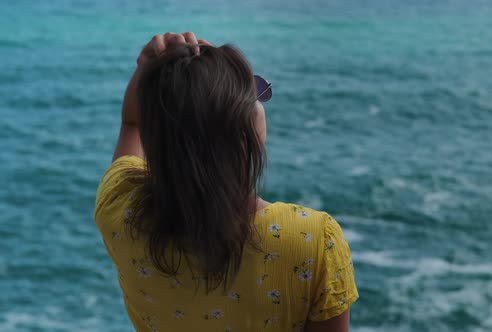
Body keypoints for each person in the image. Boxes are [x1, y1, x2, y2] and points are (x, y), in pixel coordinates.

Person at [94, 32, 358, 332]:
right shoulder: (312, 241)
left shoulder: (120, 208)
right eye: (255, 92)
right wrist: (151, 69)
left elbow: (132, 123)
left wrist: (148, 70)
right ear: (245, 136)